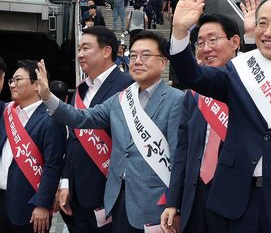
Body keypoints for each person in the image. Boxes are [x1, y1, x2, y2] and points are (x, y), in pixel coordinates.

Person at [167, 0, 271, 233]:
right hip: (238, 200)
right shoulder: (238, 72)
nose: (268, 31)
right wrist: (180, 32)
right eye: (262, 23)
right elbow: (192, 75)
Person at [37, 30, 184, 233]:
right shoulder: (121, 98)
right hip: (116, 198)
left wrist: (175, 205)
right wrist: (47, 97)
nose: (138, 61)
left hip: (154, 203)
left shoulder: (176, 100)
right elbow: (82, 118)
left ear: (163, 62)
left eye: (146, 55)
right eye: (133, 56)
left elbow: (178, 158)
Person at [161, 13, 242, 233]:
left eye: (213, 40)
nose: (206, 48)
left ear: (235, 42)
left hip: (239, 199)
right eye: (200, 43)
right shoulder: (193, 94)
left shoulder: (254, 84)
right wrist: (173, 202)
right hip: (195, 197)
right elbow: (183, 150)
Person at [55, 26, 133, 233]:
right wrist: (65, 182)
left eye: (86, 48)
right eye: (79, 49)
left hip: (110, 197)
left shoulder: (129, 86)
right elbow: (73, 139)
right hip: (77, 198)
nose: (80, 54)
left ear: (106, 51)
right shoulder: (80, 89)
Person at [0, 60, 66, 233]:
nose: (12, 85)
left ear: (37, 84)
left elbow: (53, 165)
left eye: (18, 80)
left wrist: (43, 204)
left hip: (29, 206)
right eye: (10, 81)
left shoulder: (51, 118)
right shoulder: (6, 112)